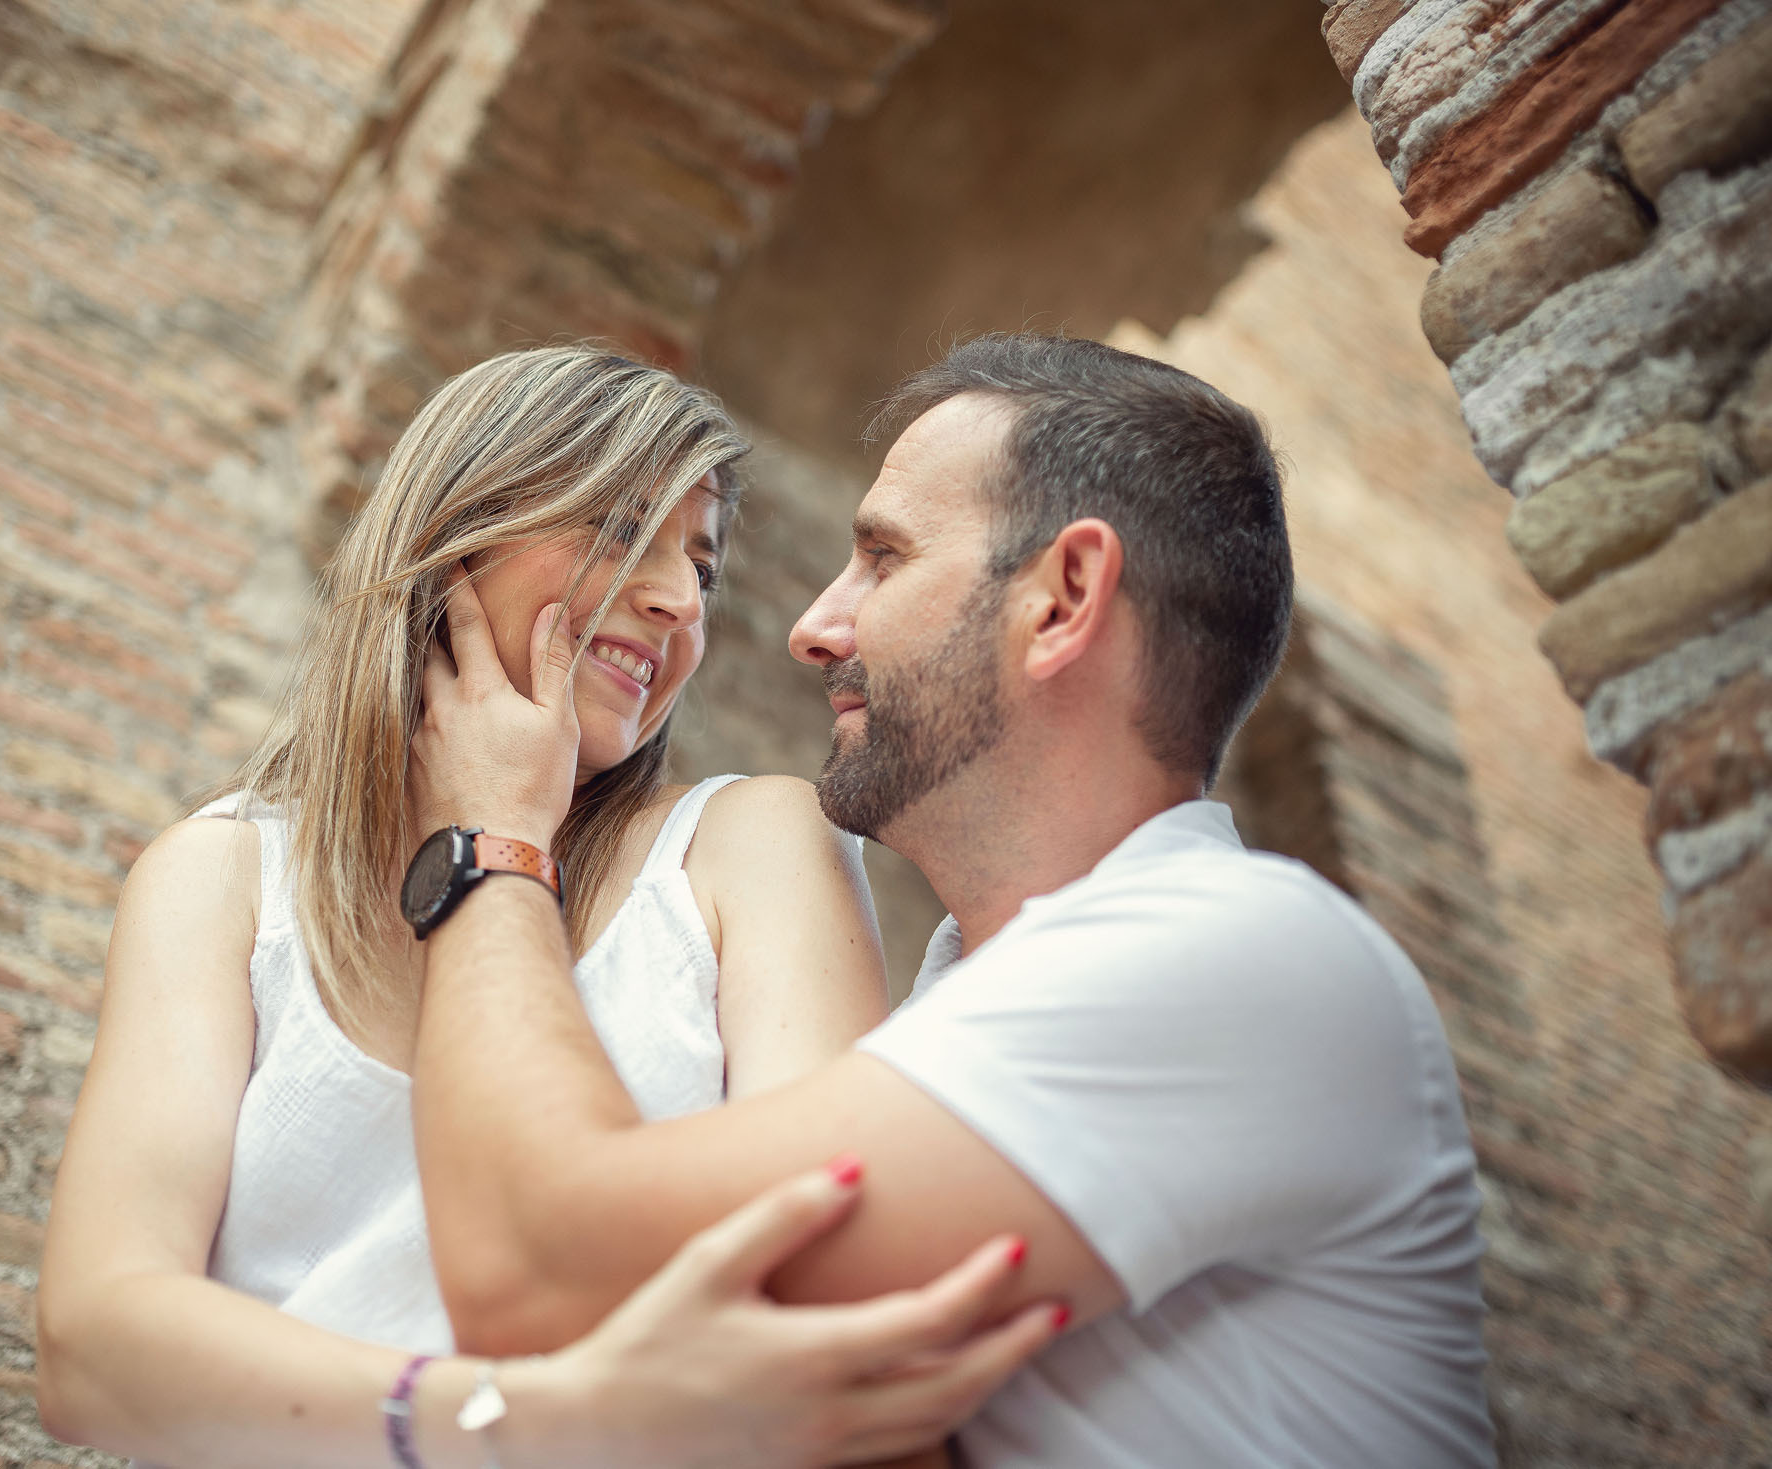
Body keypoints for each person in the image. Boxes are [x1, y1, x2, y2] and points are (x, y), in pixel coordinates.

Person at [405, 333, 1498, 1467]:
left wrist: (492, 835)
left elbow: (531, 1264)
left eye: (882, 558)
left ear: (1063, 598)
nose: (813, 627)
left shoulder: (1242, 957)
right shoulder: (963, 1003)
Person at [35, 345, 1063, 1469]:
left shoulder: (750, 847)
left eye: (703, 567)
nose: (679, 599)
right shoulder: (221, 877)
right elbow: (93, 1347)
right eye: (620, 528)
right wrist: (519, 1416)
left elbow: (812, 1285)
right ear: (458, 536)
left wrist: (497, 826)